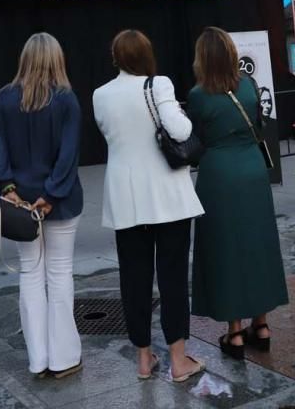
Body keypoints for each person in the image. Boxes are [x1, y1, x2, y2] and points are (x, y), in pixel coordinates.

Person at [92, 30, 206, 382]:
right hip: (166, 195)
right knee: (172, 277)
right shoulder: (159, 85)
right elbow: (182, 131)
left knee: (134, 278)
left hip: (125, 197)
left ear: (115, 57)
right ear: (146, 54)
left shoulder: (100, 94)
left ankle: (143, 358)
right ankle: (178, 360)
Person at [187, 27, 288, 360]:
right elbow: (259, 126)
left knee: (226, 250)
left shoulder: (199, 95)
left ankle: (235, 333)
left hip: (219, 175)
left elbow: (195, 138)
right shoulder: (248, 86)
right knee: (257, 245)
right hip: (253, 172)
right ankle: (261, 325)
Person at [0, 33, 84, 379]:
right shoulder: (66, 100)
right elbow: (69, 154)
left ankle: (38, 359)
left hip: (18, 200)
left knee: (30, 273)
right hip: (60, 202)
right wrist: (52, 193)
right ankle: (63, 358)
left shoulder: (4, 98)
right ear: (57, 59)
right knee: (59, 274)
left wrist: (8, 187)